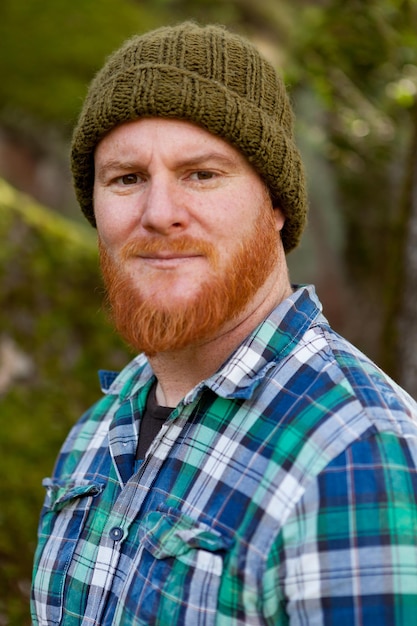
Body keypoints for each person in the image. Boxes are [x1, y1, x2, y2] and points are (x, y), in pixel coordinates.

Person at [31, 21, 417, 626]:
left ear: (277, 203)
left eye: (202, 174)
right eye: (127, 178)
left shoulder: (355, 456)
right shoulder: (95, 435)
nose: (159, 214)